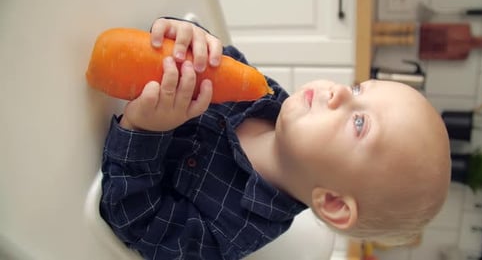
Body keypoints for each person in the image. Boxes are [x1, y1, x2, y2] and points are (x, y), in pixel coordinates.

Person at [99, 17, 451, 260]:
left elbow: (138, 223)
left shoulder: (232, 232)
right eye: (358, 88)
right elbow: (196, 55)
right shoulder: (264, 95)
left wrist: (144, 131)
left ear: (332, 202)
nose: (339, 93)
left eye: (359, 123)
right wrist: (189, 38)